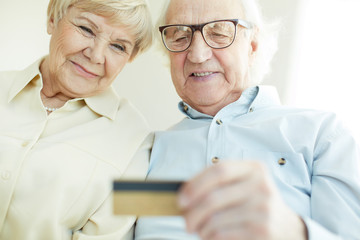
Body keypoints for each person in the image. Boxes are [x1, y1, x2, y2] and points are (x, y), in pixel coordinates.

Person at [135, 0, 360, 239]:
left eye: (219, 32)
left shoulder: (321, 134)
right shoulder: (146, 149)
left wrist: (292, 230)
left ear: (252, 46)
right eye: (180, 37)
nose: (198, 55)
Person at [0, 0, 153, 239]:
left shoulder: (136, 140)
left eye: (118, 47)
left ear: (130, 58)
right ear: (52, 19)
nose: (96, 56)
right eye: (87, 30)